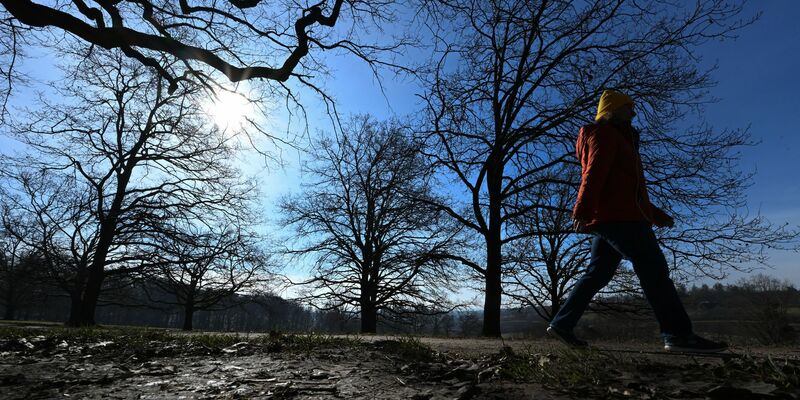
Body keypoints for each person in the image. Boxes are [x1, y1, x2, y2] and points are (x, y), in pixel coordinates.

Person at [546, 89, 728, 353]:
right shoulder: (606, 134)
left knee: (597, 273)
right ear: (613, 109)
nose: (633, 112)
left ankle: (563, 323)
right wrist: (582, 210)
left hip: (617, 215)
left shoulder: (619, 138)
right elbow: (594, 174)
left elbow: (626, 190)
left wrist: (655, 214)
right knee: (654, 269)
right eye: (628, 107)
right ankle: (678, 335)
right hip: (619, 219)